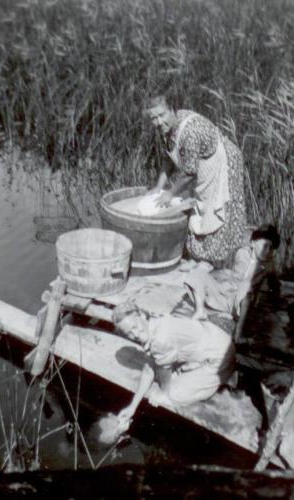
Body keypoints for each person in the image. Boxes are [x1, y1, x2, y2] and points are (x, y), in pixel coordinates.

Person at [144, 95, 246, 267]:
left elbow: (189, 173)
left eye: (162, 115)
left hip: (224, 162)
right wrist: (158, 187)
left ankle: (216, 265)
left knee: (216, 209)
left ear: (172, 110)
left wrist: (169, 194)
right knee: (200, 207)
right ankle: (199, 258)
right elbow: (168, 158)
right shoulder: (166, 130)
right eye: (154, 118)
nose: (159, 122)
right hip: (203, 163)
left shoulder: (190, 132)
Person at [112, 307, 236, 427]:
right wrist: (132, 407)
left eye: (135, 326)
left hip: (220, 357)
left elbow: (162, 372)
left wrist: (164, 394)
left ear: (142, 316)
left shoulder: (159, 340)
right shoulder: (152, 323)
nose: (135, 334)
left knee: (174, 394)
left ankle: (222, 377)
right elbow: (149, 369)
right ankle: (203, 371)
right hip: (213, 342)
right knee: (170, 374)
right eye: (129, 333)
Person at [233, 224, 281, 342]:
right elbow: (243, 280)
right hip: (232, 291)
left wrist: (275, 294)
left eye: (270, 248)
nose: (268, 251)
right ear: (253, 243)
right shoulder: (243, 254)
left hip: (247, 302)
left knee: (249, 295)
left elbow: (275, 284)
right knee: (246, 291)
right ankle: (237, 335)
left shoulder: (268, 263)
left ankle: (240, 330)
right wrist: (259, 265)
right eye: (264, 246)